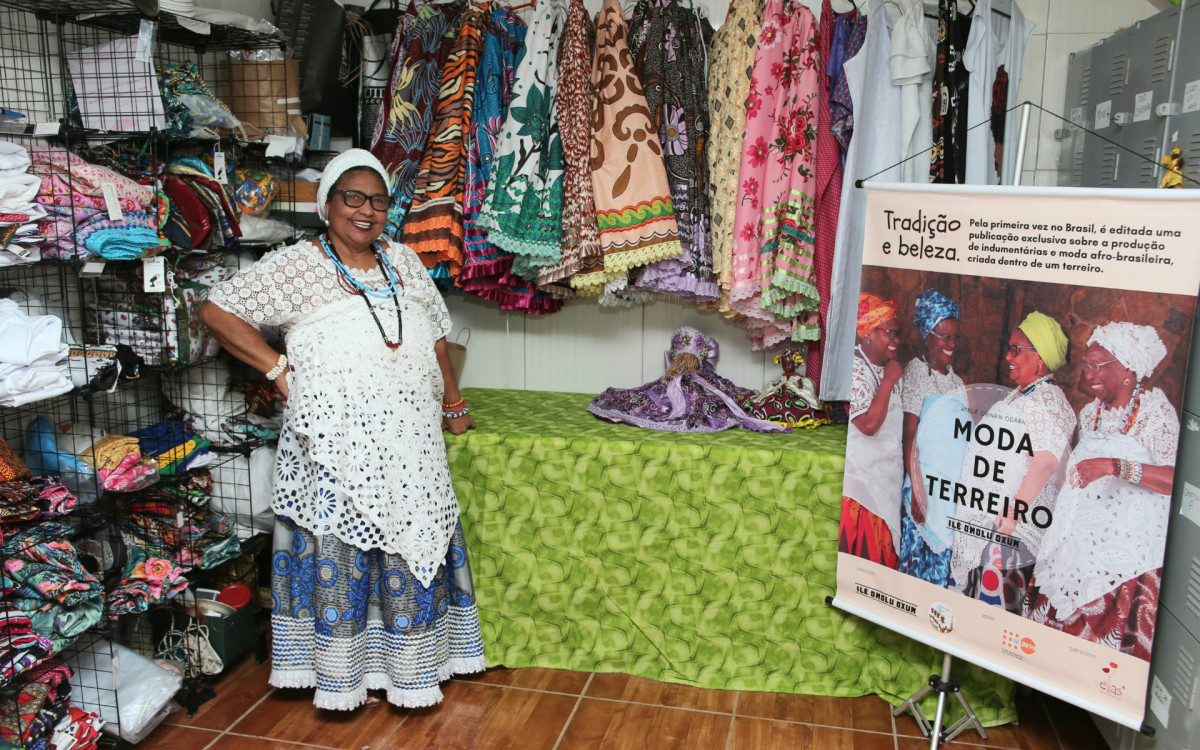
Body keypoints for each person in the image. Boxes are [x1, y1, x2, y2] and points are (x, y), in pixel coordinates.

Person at [198, 149, 484, 711]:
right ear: (327, 205)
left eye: (378, 200)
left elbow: (434, 338)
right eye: (352, 197)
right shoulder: (295, 264)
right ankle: (342, 676)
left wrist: (453, 401)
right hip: (333, 441)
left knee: (411, 532)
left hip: (410, 436)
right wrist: (277, 370)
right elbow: (216, 310)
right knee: (343, 546)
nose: (366, 210)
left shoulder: (403, 260)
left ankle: (410, 670)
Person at [1028, 322, 1177, 659]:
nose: (1088, 375)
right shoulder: (1090, 412)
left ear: (1127, 369)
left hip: (1125, 558)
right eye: (1086, 366)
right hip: (1078, 545)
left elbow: (1172, 478)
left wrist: (1114, 466)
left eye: (1097, 365)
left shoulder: (1155, 413)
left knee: (1100, 654)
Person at [949, 311, 1075, 614]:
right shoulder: (1021, 395)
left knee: (992, 616)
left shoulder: (1048, 400)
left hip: (1008, 534)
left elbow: (1044, 461)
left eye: (1016, 350)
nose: (1008, 356)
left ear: (1040, 358)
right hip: (991, 527)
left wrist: (1012, 514)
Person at [899, 289, 969, 586]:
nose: (951, 344)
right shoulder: (917, 373)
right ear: (927, 335)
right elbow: (909, 436)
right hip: (924, 487)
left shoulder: (958, 381)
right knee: (919, 566)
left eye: (954, 337)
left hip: (949, 492)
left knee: (943, 570)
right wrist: (917, 489)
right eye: (943, 337)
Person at [839, 293, 904, 569]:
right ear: (869, 333)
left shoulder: (883, 367)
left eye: (898, 333)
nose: (897, 340)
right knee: (863, 564)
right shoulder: (853, 368)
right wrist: (889, 381)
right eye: (891, 333)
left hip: (887, 482)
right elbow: (867, 425)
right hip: (861, 490)